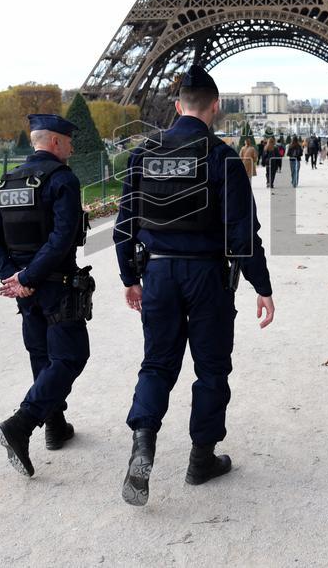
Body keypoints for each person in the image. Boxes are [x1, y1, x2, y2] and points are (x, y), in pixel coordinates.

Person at [113, 64, 275, 507]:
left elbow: (124, 224)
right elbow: (242, 233)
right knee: (211, 369)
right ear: (215, 106)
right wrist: (262, 285)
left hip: (159, 272)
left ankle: (143, 443)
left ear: (178, 103)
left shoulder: (144, 153)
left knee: (156, 364)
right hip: (207, 275)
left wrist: (129, 276)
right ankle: (201, 457)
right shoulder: (221, 156)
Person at [0, 114, 93, 478]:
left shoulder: (6, 181)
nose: (72, 148)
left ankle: (55, 427)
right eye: (69, 141)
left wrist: (13, 278)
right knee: (72, 355)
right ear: (56, 142)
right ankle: (22, 423)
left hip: (25, 290)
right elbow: (61, 239)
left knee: (43, 355)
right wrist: (26, 276)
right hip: (55, 282)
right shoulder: (62, 180)